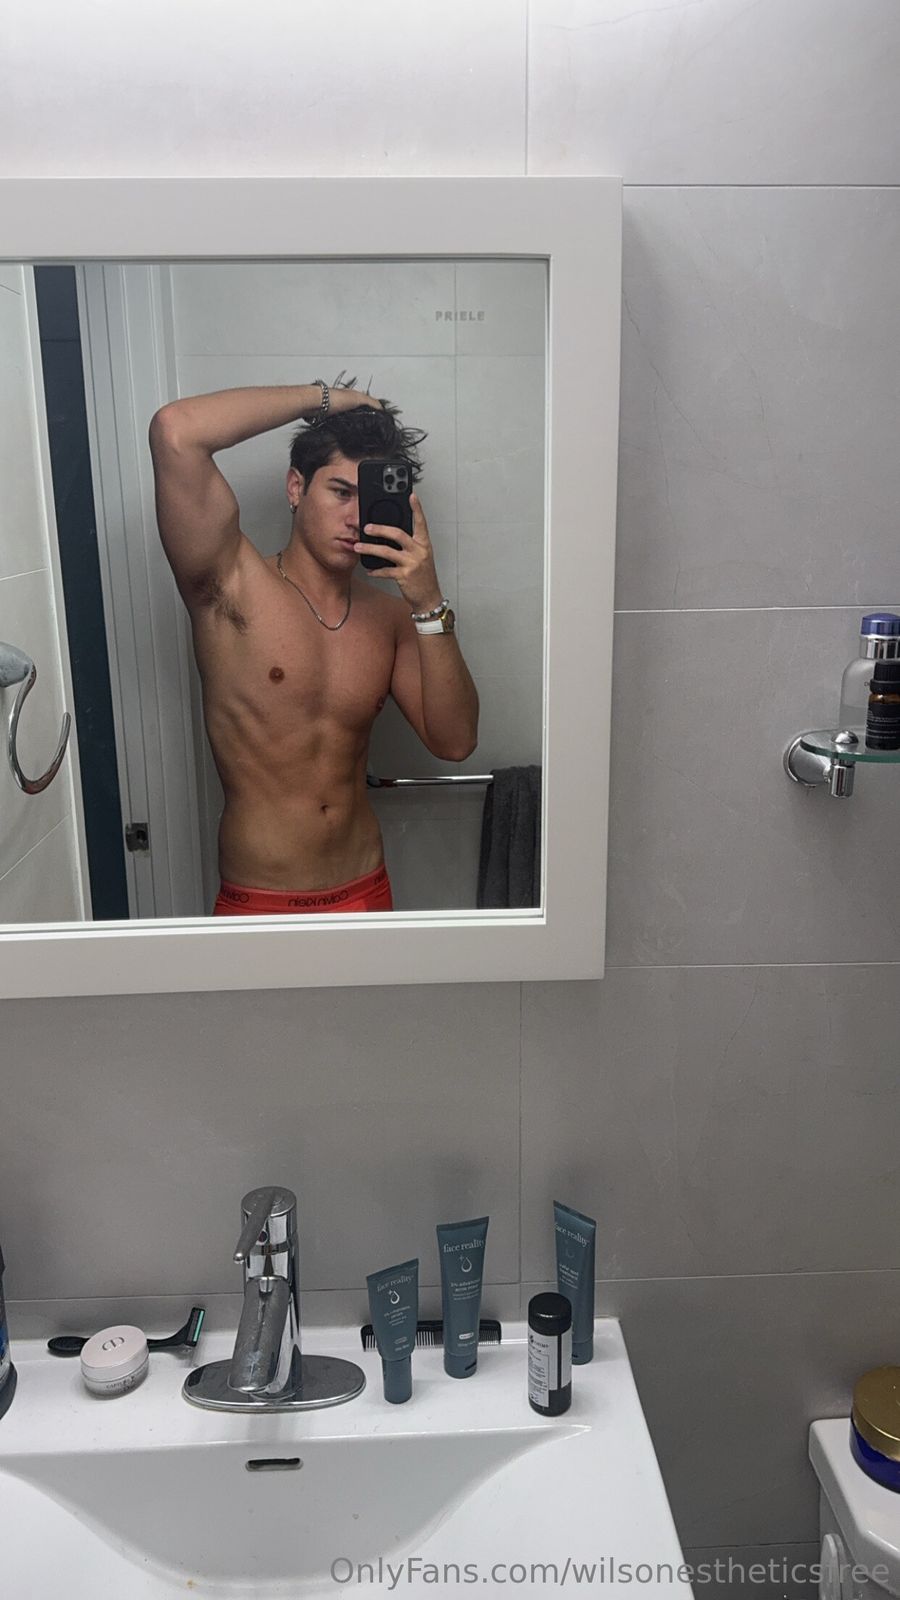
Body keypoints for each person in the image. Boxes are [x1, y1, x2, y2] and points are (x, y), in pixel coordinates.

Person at [148, 375, 479, 916]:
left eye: (368, 499)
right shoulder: (231, 583)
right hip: (260, 898)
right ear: (296, 488)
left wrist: (428, 600)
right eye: (341, 492)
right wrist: (328, 399)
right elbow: (176, 430)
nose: (356, 518)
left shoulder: (394, 620)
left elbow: (455, 741)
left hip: (366, 888)